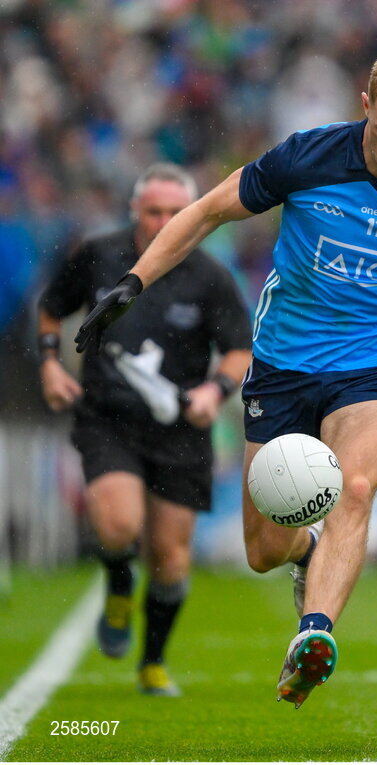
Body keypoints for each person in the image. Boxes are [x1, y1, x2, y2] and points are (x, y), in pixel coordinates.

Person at [74, 50, 377, 709]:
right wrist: (133, 281)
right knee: (265, 548)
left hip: (376, 367)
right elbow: (206, 211)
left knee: (354, 485)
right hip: (284, 367)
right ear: (364, 104)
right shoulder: (304, 158)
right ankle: (308, 553)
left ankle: (313, 634)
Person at [38, 163, 252, 696]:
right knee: (117, 525)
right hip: (107, 418)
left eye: (175, 213)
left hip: (180, 428)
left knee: (171, 558)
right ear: (135, 210)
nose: (163, 221)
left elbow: (239, 351)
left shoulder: (210, 276)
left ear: (194, 216)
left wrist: (214, 392)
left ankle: (152, 661)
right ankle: (117, 584)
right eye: (154, 211)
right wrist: (48, 364)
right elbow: (50, 308)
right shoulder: (98, 255)